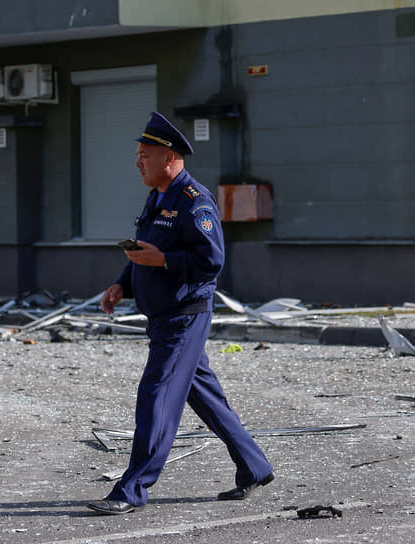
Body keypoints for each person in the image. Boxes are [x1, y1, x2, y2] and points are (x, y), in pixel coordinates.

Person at [86, 112, 274, 516]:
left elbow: (212, 260)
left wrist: (165, 261)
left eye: (144, 155)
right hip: (163, 316)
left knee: (156, 395)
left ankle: (132, 488)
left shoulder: (194, 201)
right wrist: (124, 283)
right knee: (204, 396)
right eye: (138, 155)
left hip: (183, 316)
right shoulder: (158, 197)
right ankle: (255, 467)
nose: (138, 162)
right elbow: (145, 249)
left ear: (168, 156)